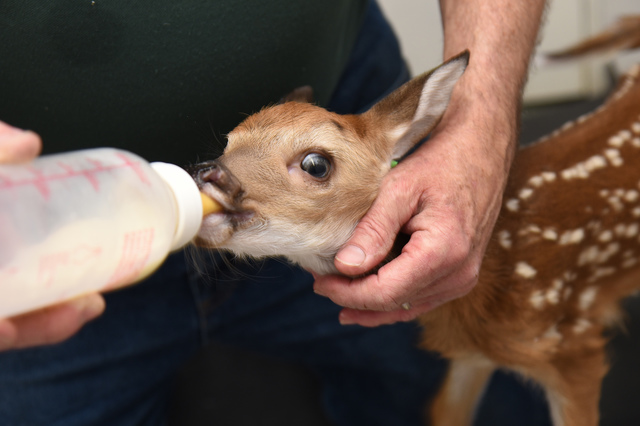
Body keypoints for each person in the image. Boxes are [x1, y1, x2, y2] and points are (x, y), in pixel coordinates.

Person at [0, 1, 549, 425]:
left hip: (349, 150)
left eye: (311, 164)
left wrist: (478, 125)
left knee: (473, 396)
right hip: (43, 219)